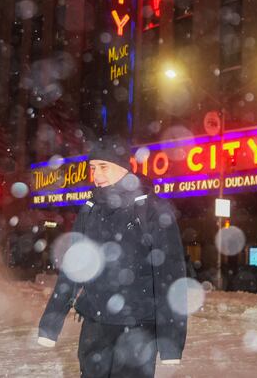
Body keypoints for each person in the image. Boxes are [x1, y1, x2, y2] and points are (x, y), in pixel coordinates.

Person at [38, 136, 187, 377]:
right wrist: (51, 323)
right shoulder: (90, 209)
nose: (96, 175)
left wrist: (171, 341)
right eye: (93, 168)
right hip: (95, 326)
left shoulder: (153, 209)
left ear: (124, 167)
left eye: (103, 167)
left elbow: (170, 276)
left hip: (139, 327)